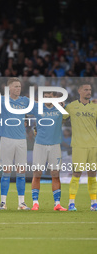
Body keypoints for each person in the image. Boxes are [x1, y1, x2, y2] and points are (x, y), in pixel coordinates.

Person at [29, 92, 67, 211]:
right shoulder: (37, 107)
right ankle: (35, 203)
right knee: (37, 174)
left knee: (55, 175)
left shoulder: (60, 107)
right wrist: (33, 128)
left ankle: (57, 204)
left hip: (55, 145)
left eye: (50, 97)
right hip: (40, 145)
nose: (48, 99)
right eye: (45, 97)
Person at [0, 77, 30, 210]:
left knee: (21, 172)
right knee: (6, 172)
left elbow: (39, 105)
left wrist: (57, 103)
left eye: (19, 86)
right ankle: (3, 202)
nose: (18, 88)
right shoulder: (2, 100)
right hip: (6, 139)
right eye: (16, 86)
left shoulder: (25, 101)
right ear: (9, 88)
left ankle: (21, 203)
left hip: (21, 140)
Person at [63, 83, 97, 211]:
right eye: (86, 89)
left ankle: (94, 203)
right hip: (78, 145)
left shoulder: (94, 106)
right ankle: (71, 203)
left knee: (92, 174)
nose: (88, 92)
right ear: (79, 91)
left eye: (90, 90)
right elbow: (60, 118)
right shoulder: (71, 106)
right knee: (77, 173)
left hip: (93, 145)